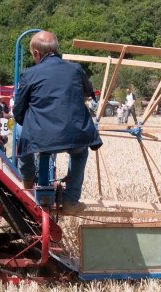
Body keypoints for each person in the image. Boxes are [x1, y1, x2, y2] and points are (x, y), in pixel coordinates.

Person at [13, 31, 101, 211]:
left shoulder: (29, 74)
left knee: (21, 133)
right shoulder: (76, 69)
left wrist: (27, 122)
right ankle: (71, 200)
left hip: (40, 138)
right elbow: (88, 91)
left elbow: (18, 110)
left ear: (36, 53)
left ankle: (28, 179)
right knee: (79, 153)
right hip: (74, 135)